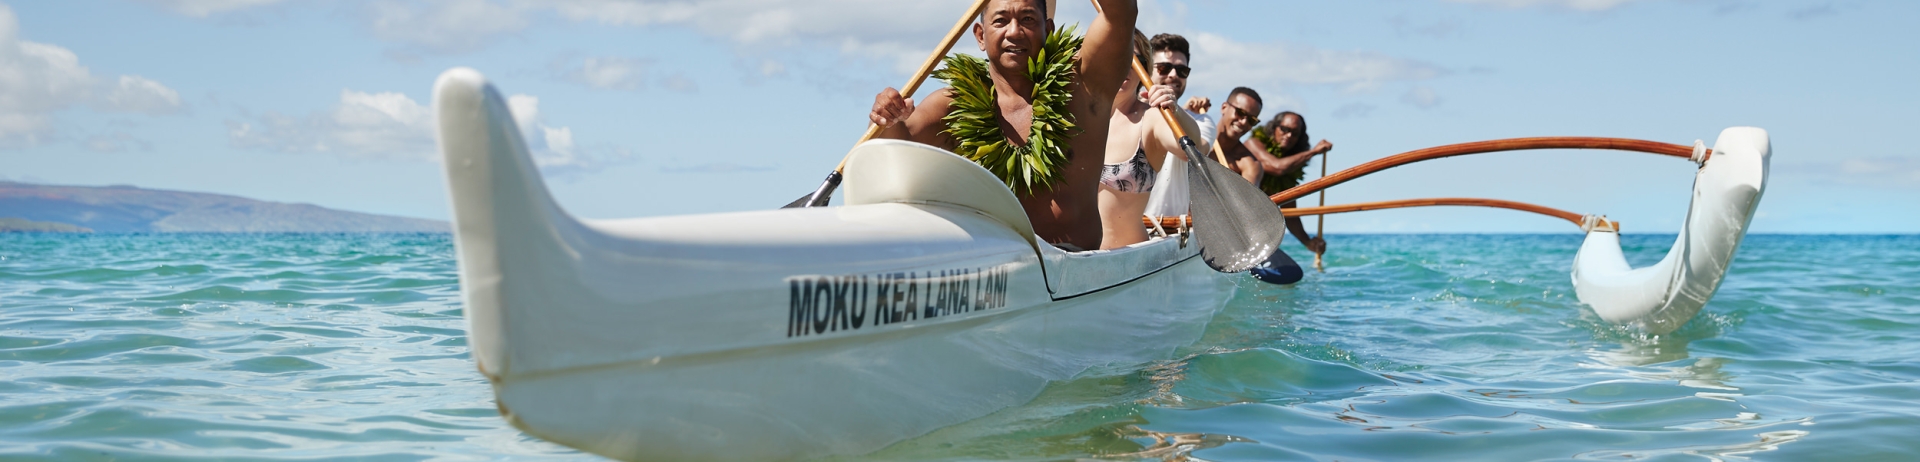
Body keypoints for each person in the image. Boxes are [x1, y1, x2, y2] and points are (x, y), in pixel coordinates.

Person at [868, 0, 1139, 251]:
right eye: (1000, 21)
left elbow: (1120, 15)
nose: (1014, 32)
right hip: (989, 273)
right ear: (980, 35)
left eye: (1028, 19)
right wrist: (889, 117)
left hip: (1074, 271)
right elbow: (894, 151)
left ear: (1048, 28)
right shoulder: (952, 105)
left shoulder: (1083, 85)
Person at [1096, 30, 1208, 250]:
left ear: (1144, 70)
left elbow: (1194, 152)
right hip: (1069, 258)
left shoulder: (1151, 118)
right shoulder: (1074, 114)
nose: (1126, 65)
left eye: (1136, 60)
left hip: (1125, 264)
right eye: (1117, 55)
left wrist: (1176, 110)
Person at [1138, 33, 1213, 219]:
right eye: (1164, 68)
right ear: (1148, 69)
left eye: (1182, 71)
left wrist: (1176, 110)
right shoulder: (1127, 109)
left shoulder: (1202, 120)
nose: (1173, 75)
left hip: (1169, 232)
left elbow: (1197, 153)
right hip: (1125, 229)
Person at [1245, 111, 1331, 254]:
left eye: (1295, 133)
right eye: (1285, 129)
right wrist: (1313, 152)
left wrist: (1308, 242)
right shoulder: (1253, 144)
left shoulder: (1290, 169)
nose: (1289, 135)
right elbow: (1277, 167)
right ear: (1274, 128)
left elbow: (1289, 213)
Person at [1211, 87, 1266, 186]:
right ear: (1224, 107)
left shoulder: (1250, 164)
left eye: (1251, 120)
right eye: (1240, 113)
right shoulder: (1196, 139)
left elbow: (1246, 200)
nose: (1244, 122)